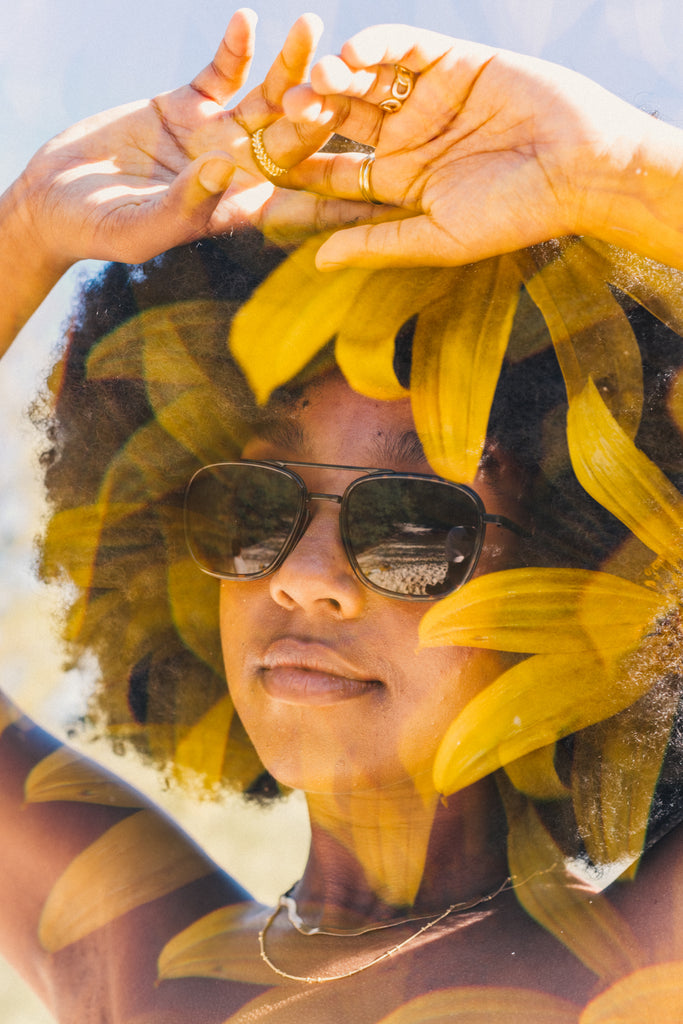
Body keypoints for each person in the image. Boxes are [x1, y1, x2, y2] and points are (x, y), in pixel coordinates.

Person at [0, 10, 682, 1022]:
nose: (302, 573)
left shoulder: (645, 966)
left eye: (409, 524)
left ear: (583, 574)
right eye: (251, 505)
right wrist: (28, 227)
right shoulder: (134, 959)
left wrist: (615, 172)